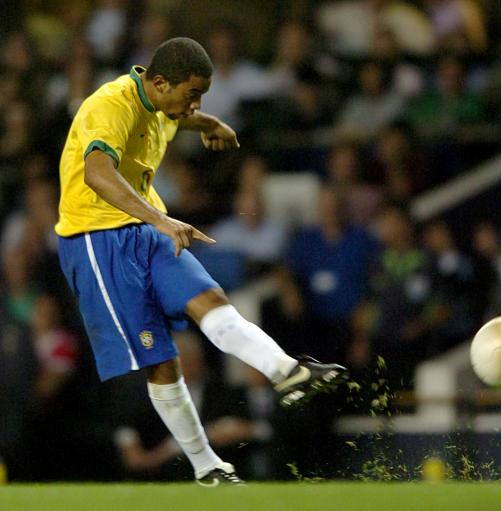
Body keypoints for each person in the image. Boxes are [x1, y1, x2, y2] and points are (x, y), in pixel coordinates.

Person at [55, 37, 347, 486]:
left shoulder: (160, 105)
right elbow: (96, 172)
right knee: (161, 361)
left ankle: (287, 371)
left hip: (147, 230)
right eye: (193, 94)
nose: (196, 103)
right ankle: (208, 466)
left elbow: (179, 118)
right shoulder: (109, 106)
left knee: (211, 300)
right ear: (160, 83)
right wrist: (160, 218)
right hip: (98, 240)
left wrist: (208, 122)